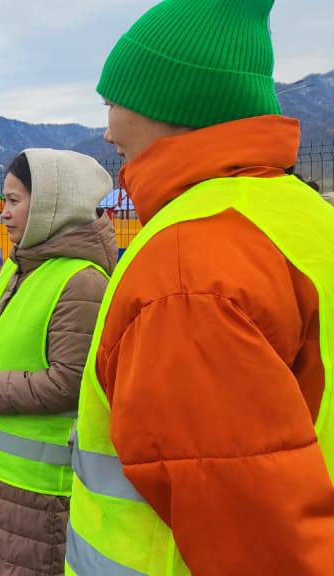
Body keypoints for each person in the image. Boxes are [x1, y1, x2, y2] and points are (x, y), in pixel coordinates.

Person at [67, 0, 334, 573]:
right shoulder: (303, 216)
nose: (107, 128)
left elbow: (255, 534)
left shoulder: (188, 264)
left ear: (170, 100)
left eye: (113, 102)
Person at [0, 150, 116, 576]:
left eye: (14, 201)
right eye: (4, 201)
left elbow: (69, 382)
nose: (3, 214)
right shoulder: (20, 264)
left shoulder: (82, 281)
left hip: (33, 497)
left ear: (53, 204)